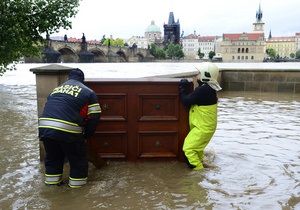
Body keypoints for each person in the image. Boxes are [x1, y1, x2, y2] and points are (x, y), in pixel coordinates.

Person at [38, 68, 101, 188]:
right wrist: (87, 135)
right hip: (68, 130)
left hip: (45, 128)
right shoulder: (88, 92)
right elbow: (94, 117)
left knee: (53, 159)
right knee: (78, 161)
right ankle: (76, 193)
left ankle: (52, 189)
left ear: (68, 78)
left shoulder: (55, 90)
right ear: (82, 80)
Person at [179, 62, 221, 170]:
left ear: (205, 75)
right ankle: (204, 164)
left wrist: (182, 88)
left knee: (188, 149)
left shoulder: (204, 90)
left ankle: (198, 173)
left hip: (203, 128)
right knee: (197, 149)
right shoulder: (208, 88)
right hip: (205, 126)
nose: (196, 76)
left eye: (198, 73)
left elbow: (186, 101)